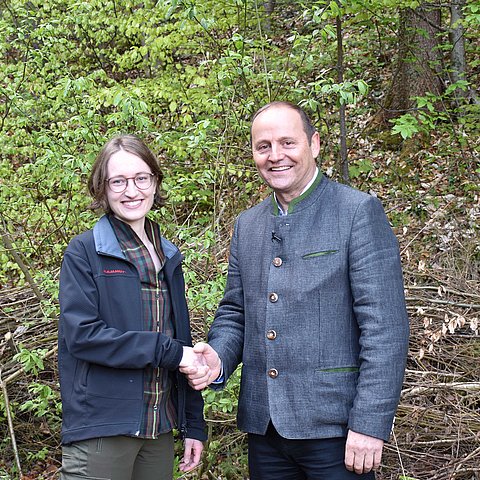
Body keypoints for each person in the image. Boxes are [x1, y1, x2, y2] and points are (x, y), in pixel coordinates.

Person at [181, 101, 410, 479]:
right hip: (265, 430)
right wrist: (218, 357)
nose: (275, 156)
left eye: (287, 142)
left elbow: (385, 329)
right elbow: (237, 312)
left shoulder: (357, 212)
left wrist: (370, 423)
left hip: (337, 432)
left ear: (314, 144)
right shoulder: (248, 225)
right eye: (263, 146)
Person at [58, 134, 207, 480]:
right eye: (119, 181)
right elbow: (83, 336)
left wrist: (193, 424)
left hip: (158, 428)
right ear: (103, 188)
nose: (132, 191)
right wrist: (168, 351)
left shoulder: (168, 255)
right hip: (102, 428)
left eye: (142, 178)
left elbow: (180, 341)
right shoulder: (85, 252)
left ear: (155, 183)